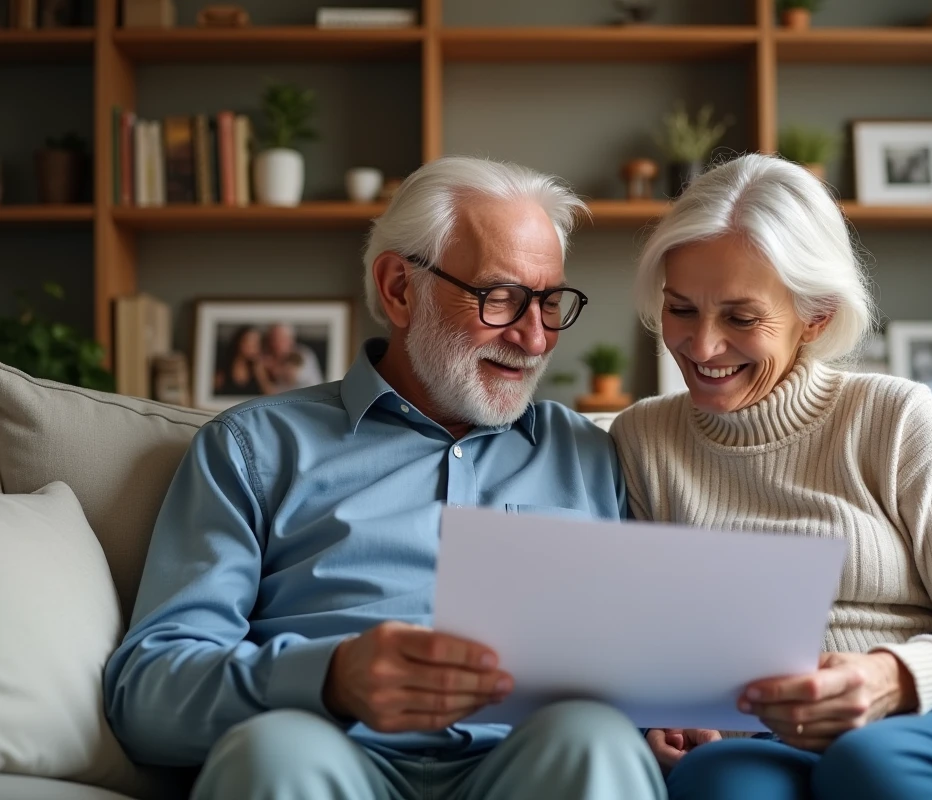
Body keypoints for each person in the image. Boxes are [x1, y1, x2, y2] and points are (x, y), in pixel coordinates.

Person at [104, 156, 665, 800]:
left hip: (531, 766)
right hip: (327, 755)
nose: (535, 339)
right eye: (501, 297)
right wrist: (331, 677)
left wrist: (667, 715)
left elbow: (639, 659)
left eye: (549, 301)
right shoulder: (254, 449)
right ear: (400, 288)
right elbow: (145, 694)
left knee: (595, 739)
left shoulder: (591, 455)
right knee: (274, 754)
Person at [610, 153, 932, 800]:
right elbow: (650, 634)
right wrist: (663, 712)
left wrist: (889, 678)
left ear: (814, 317)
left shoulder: (890, 416)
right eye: (681, 310)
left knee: (869, 764)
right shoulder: (644, 439)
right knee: (717, 782)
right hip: (774, 740)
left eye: (739, 317)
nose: (701, 348)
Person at [263, 322, 325, 390]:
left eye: (281, 339)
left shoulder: (303, 354)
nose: (276, 344)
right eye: (273, 339)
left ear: (291, 340)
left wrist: (275, 370)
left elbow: (293, 377)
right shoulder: (267, 356)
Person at [212, 325, 271, 396]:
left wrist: (260, 374)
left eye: (257, 343)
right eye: (249, 341)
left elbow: (271, 397)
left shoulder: (261, 368)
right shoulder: (223, 366)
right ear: (239, 342)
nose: (253, 346)